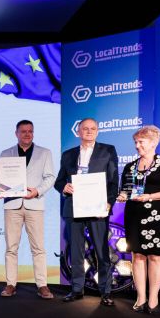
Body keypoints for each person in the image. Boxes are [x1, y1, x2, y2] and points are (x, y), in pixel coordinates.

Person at [116, 125, 160, 314]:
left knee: (155, 256)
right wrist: (122, 195)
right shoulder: (130, 166)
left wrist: (150, 196)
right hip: (134, 215)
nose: (137, 145)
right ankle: (141, 297)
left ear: (153, 143)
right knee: (137, 256)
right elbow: (125, 189)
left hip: (156, 217)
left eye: (141, 142)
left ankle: (153, 297)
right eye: (136, 142)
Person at [54, 118, 118, 306]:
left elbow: (113, 181)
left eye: (93, 128)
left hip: (98, 208)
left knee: (102, 251)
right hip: (74, 207)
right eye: (85, 128)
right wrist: (64, 187)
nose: (89, 131)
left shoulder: (108, 150)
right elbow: (59, 181)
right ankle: (76, 289)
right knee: (76, 251)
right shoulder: (68, 155)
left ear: (97, 131)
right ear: (78, 132)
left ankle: (105, 291)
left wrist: (109, 203)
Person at [0, 120, 56, 299]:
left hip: (34, 204)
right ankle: (10, 284)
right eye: (23, 131)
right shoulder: (6, 153)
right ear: (16, 133)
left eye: (30, 131)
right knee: (11, 247)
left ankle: (42, 285)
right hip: (12, 204)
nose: (27, 134)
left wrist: (37, 191)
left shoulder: (45, 152)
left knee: (38, 248)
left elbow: (50, 177)